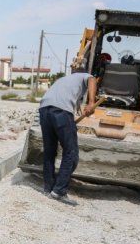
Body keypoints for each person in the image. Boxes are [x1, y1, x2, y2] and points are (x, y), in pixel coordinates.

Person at [38, 69, 97, 206]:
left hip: (44, 109)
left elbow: (72, 107)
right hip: (61, 111)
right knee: (71, 153)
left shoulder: (64, 81)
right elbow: (92, 79)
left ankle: (48, 188)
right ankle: (59, 191)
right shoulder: (85, 76)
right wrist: (91, 102)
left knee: (49, 151)